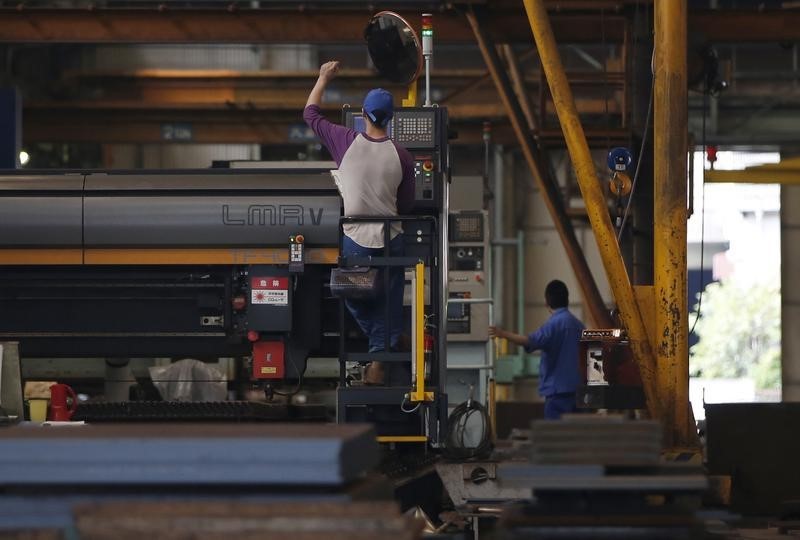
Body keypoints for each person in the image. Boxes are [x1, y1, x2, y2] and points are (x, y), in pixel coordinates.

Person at [304, 61, 415, 385]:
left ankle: (382, 351)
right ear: (391, 118)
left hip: (357, 238)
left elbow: (310, 115)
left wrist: (323, 78)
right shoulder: (402, 155)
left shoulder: (345, 140)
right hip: (392, 238)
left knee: (351, 294)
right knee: (389, 300)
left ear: (364, 114)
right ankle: (388, 342)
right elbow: (406, 203)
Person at [489, 280, 584, 420]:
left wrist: (502, 333)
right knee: (578, 439)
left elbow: (530, 341)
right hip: (580, 395)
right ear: (567, 299)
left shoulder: (553, 325)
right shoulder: (580, 326)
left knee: (555, 439)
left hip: (558, 397)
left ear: (546, 302)